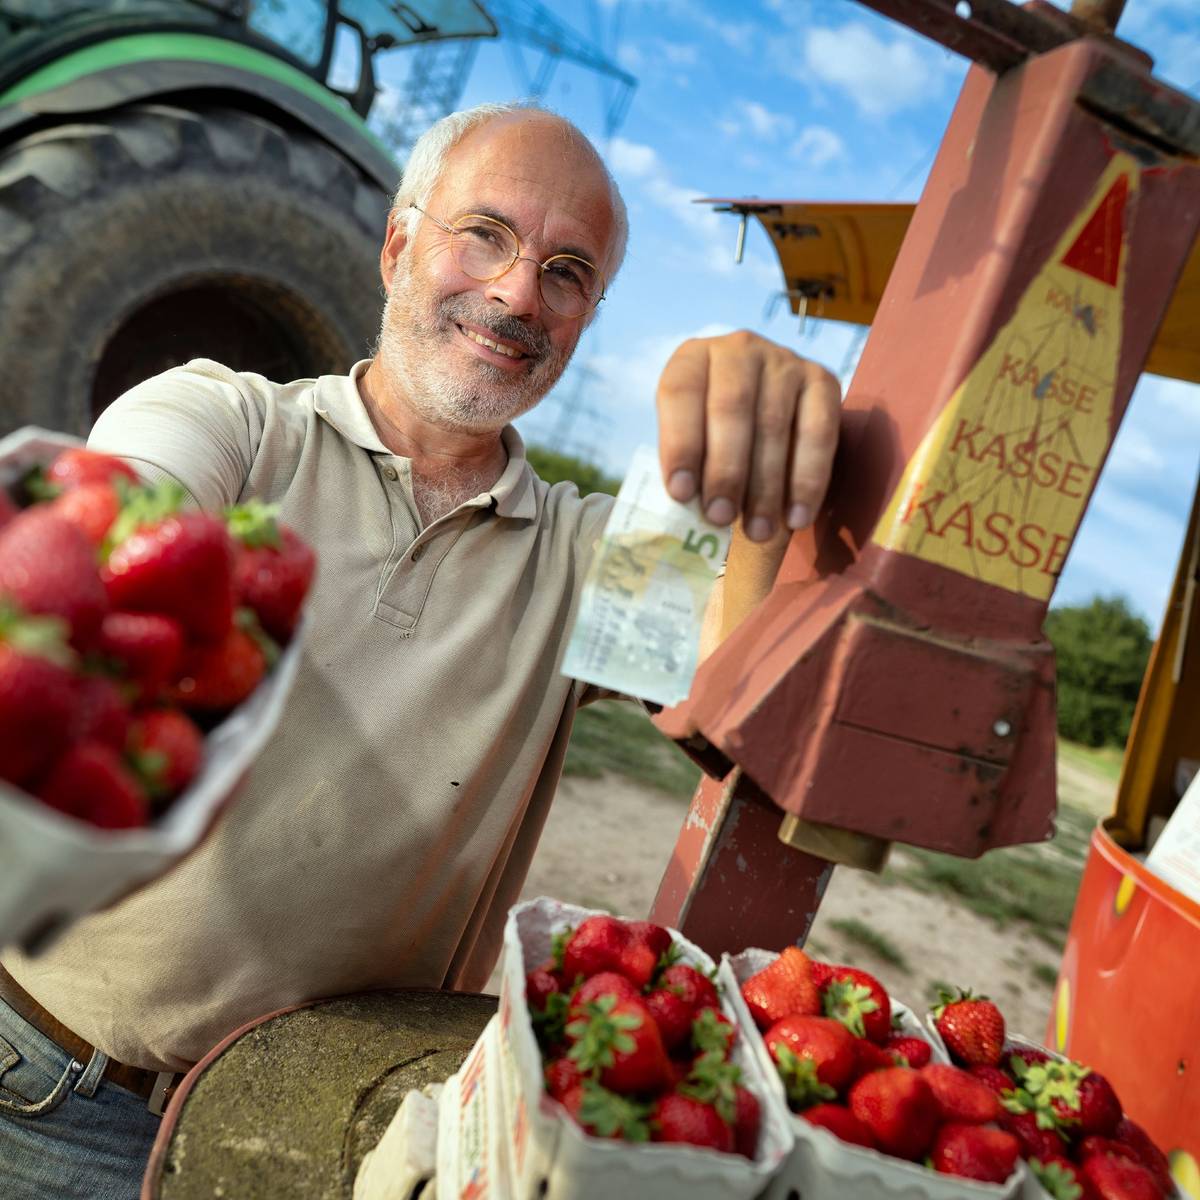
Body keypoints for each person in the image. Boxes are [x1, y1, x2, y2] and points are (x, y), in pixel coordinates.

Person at [0, 102, 840, 1198]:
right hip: (50, 1089)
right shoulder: (232, 422)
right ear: (398, 245)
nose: (516, 293)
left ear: (587, 317)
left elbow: (749, 699)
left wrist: (773, 478)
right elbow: (121, 528)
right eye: (483, 234)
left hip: (318, 1133)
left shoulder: (594, 561)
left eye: (568, 271)